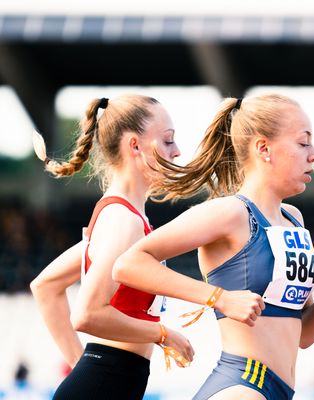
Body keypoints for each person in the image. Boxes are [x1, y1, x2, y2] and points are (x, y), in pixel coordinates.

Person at [113, 94, 314, 400]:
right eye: (303, 143)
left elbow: (302, 336)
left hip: (278, 391)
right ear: (263, 148)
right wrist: (219, 298)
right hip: (243, 385)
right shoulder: (230, 213)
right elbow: (129, 264)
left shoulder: (294, 220)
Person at [29, 95, 194, 400]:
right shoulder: (123, 221)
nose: (178, 151)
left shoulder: (123, 217)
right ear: (135, 146)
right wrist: (163, 334)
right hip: (106, 382)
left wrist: (81, 365)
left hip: (105, 381)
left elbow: (46, 286)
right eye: (168, 140)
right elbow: (87, 314)